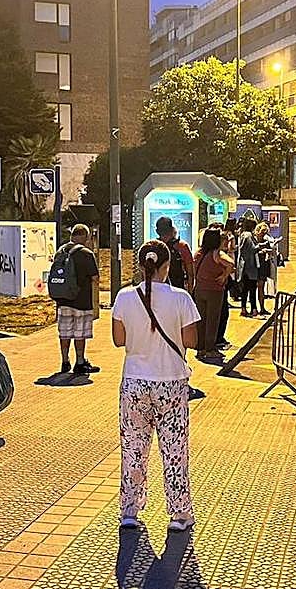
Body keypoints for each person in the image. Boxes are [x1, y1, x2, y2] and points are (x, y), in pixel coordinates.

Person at [111, 240, 201, 532]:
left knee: (134, 447)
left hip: (134, 382)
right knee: (174, 448)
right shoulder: (181, 298)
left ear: (140, 265)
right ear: (167, 266)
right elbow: (191, 341)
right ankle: (179, 513)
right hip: (171, 382)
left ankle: (130, 509)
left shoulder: (124, 297)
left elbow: (118, 339)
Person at [53, 224, 102, 377]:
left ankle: (64, 361)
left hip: (62, 300)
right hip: (81, 301)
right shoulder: (87, 254)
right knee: (79, 334)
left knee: (65, 332)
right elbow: (95, 278)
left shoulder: (60, 251)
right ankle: (80, 362)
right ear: (86, 237)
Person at [192, 227, 235, 362]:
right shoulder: (217, 253)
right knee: (212, 320)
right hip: (214, 290)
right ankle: (210, 349)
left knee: (201, 320)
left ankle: (200, 348)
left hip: (199, 289)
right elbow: (231, 263)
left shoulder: (198, 253)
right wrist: (224, 275)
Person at [155, 216, 194, 293]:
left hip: (158, 290)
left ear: (157, 231)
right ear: (171, 229)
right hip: (178, 289)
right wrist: (190, 292)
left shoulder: (153, 246)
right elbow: (190, 273)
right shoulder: (182, 246)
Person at [236, 216, 260, 317]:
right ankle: (253, 309)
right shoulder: (248, 235)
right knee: (252, 289)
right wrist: (261, 246)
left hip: (243, 266)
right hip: (250, 266)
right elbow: (252, 249)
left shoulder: (242, 235)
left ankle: (243, 308)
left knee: (244, 289)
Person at [254, 222, 276, 316]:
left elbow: (271, 252)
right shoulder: (254, 241)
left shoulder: (266, 241)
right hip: (255, 266)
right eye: (262, 231)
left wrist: (269, 251)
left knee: (261, 287)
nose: (263, 234)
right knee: (254, 288)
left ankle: (262, 307)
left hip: (263, 265)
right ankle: (254, 308)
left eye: (265, 232)